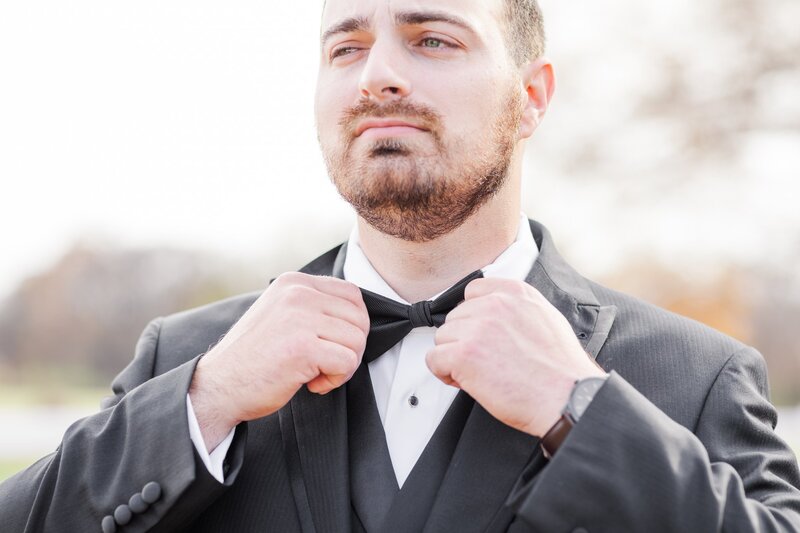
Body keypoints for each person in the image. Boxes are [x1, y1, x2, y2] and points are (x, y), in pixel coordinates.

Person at [2, 0, 800, 531]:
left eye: (433, 39)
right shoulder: (185, 360)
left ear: (533, 96)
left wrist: (583, 413)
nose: (378, 72)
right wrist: (205, 402)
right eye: (346, 47)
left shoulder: (693, 378)